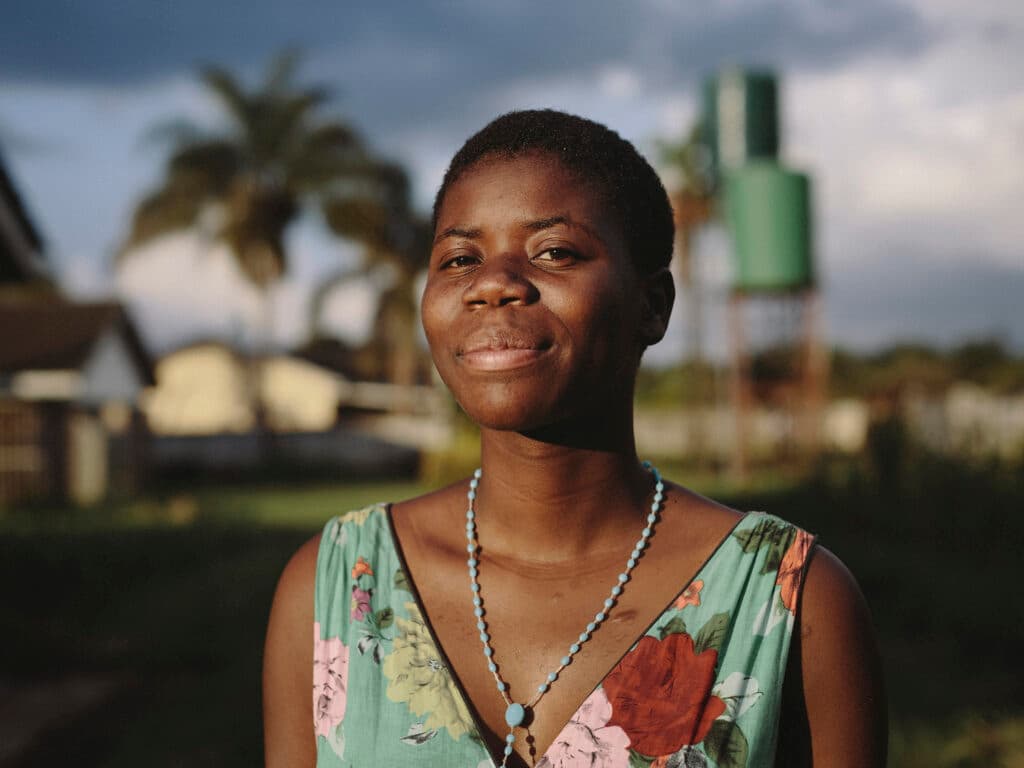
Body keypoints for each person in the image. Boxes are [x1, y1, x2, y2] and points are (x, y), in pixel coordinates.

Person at [263, 110, 886, 768]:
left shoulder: (789, 603)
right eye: (459, 259)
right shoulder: (331, 591)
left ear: (653, 306)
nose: (493, 282)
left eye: (554, 252)